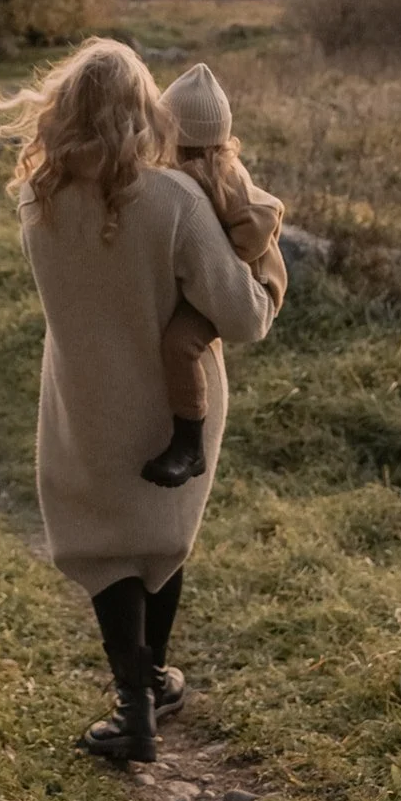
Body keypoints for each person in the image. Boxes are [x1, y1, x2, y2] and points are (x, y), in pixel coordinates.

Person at [0, 38, 276, 764]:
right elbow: (243, 318)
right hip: (173, 404)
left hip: (83, 400)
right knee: (160, 536)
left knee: (105, 544)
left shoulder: (38, 198)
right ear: (142, 110)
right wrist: (269, 269)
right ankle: (150, 683)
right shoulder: (174, 199)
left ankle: (135, 700)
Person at [142, 63, 288, 488]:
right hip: (214, 277)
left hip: (255, 282)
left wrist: (229, 254)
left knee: (179, 343)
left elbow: (266, 215)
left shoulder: (222, 176)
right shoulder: (184, 171)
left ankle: (190, 444)